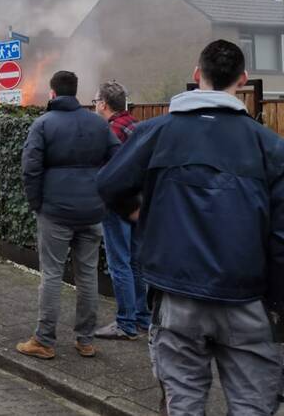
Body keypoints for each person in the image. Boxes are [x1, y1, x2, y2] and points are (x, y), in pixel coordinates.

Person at [98, 40, 284, 414]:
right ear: (243, 81)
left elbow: (109, 183)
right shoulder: (269, 146)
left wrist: (137, 214)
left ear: (197, 75)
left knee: (183, 405)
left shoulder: (156, 133)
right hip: (246, 300)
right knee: (253, 406)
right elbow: (280, 237)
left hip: (177, 298)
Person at [16, 71, 120, 360]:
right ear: (76, 93)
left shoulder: (43, 124)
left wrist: (37, 203)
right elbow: (119, 161)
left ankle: (44, 340)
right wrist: (103, 197)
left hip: (55, 212)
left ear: (52, 93)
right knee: (87, 275)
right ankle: (85, 340)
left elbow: (30, 169)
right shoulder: (98, 124)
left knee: (51, 274)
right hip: (92, 212)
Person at [92, 81, 149, 341]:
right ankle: (143, 318)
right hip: (140, 206)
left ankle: (125, 323)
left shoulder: (110, 131)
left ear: (104, 103)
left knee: (119, 264)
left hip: (116, 206)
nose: (94, 105)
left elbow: (106, 174)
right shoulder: (137, 126)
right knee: (137, 262)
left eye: (95, 101)